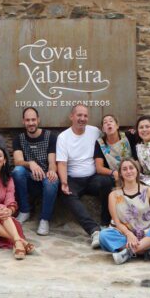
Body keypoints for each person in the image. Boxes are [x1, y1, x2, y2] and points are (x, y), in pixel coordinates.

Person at [56, 104, 115, 248]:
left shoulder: (94, 131)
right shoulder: (63, 137)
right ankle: (94, 231)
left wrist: (131, 133)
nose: (82, 119)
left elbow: (111, 134)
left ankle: (105, 224)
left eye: (85, 116)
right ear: (72, 117)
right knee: (67, 194)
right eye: (79, 115)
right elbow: (62, 164)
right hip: (73, 178)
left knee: (106, 182)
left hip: (92, 178)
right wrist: (64, 182)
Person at [99, 159, 150, 264]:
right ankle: (147, 251)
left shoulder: (149, 191)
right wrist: (128, 234)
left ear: (137, 171)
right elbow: (117, 222)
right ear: (121, 174)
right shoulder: (113, 195)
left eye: (131, 168)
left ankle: (130, 251)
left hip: (149, 233)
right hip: (127, 236)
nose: (128, 171)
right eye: (124, 169)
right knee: (103, 235)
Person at [12, 107, 59, 236]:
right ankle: (24, 211)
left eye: (33, 119)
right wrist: (30, 163)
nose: (31, 123)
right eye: (28, 120)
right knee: (17, 171)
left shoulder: (50, 136)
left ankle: (44, 219)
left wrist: (51, 171)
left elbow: (52, 162)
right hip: (28, 174)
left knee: (52, 181)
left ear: (38, 120)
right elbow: (17, 161)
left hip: (45, 173)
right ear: (23, 121)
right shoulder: (19, 139)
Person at [94, 114, 150, 182]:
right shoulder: (100, 143)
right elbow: (99, 168)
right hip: (115, 175)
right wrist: (113, 173)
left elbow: (147, 135)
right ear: (103, 129)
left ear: (117, 125)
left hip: (133, 173)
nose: (108, 123)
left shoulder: (129, 135)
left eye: (111, 121)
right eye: (105, 122)